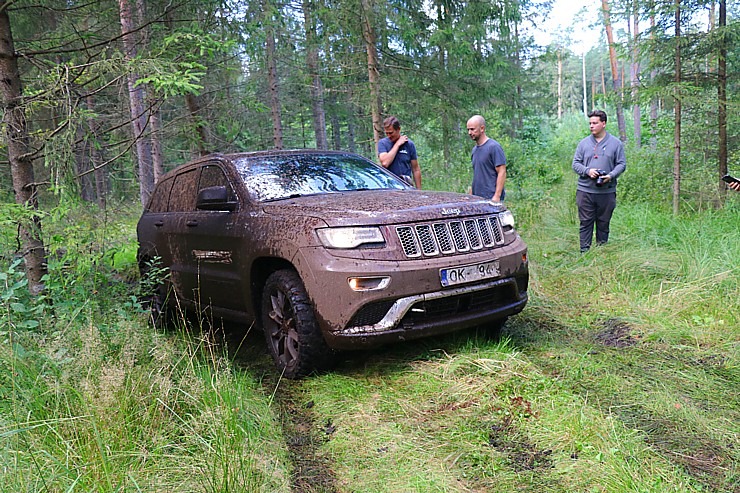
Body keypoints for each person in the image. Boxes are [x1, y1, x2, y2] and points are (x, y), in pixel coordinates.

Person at [572, 110, 626, 252]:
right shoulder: (583, 144)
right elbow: (575, 164)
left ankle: (601, 251)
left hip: (607, 191)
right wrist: (587, 171)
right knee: (585, 222)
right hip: (585, 190)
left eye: (595, 123)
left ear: (603, 124)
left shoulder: (615, 144)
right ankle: (585, 252)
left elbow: (621, 164)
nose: (591, 126)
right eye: (590, 123)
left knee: (603, 223)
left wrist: (611, 175)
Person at [466, 114, 506, 205]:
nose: (469, 132)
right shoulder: (474, 150)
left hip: (491, 198)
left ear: (482, 128)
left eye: (472, 129)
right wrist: (471, 195)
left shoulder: (494, 147)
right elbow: (477, 174)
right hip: (477, 199)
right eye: (468, 129)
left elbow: (502, 172)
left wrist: (497, 196)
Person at [377, 116, 422, 188]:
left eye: (391, 133)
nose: (389, 136)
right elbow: (385, 163)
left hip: (406, 185)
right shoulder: (382, 143)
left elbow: (416, 169)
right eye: (387, 133)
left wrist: (419, 191)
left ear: (398, 129)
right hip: (389, 186)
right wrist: (397, 144)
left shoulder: (409, 144)